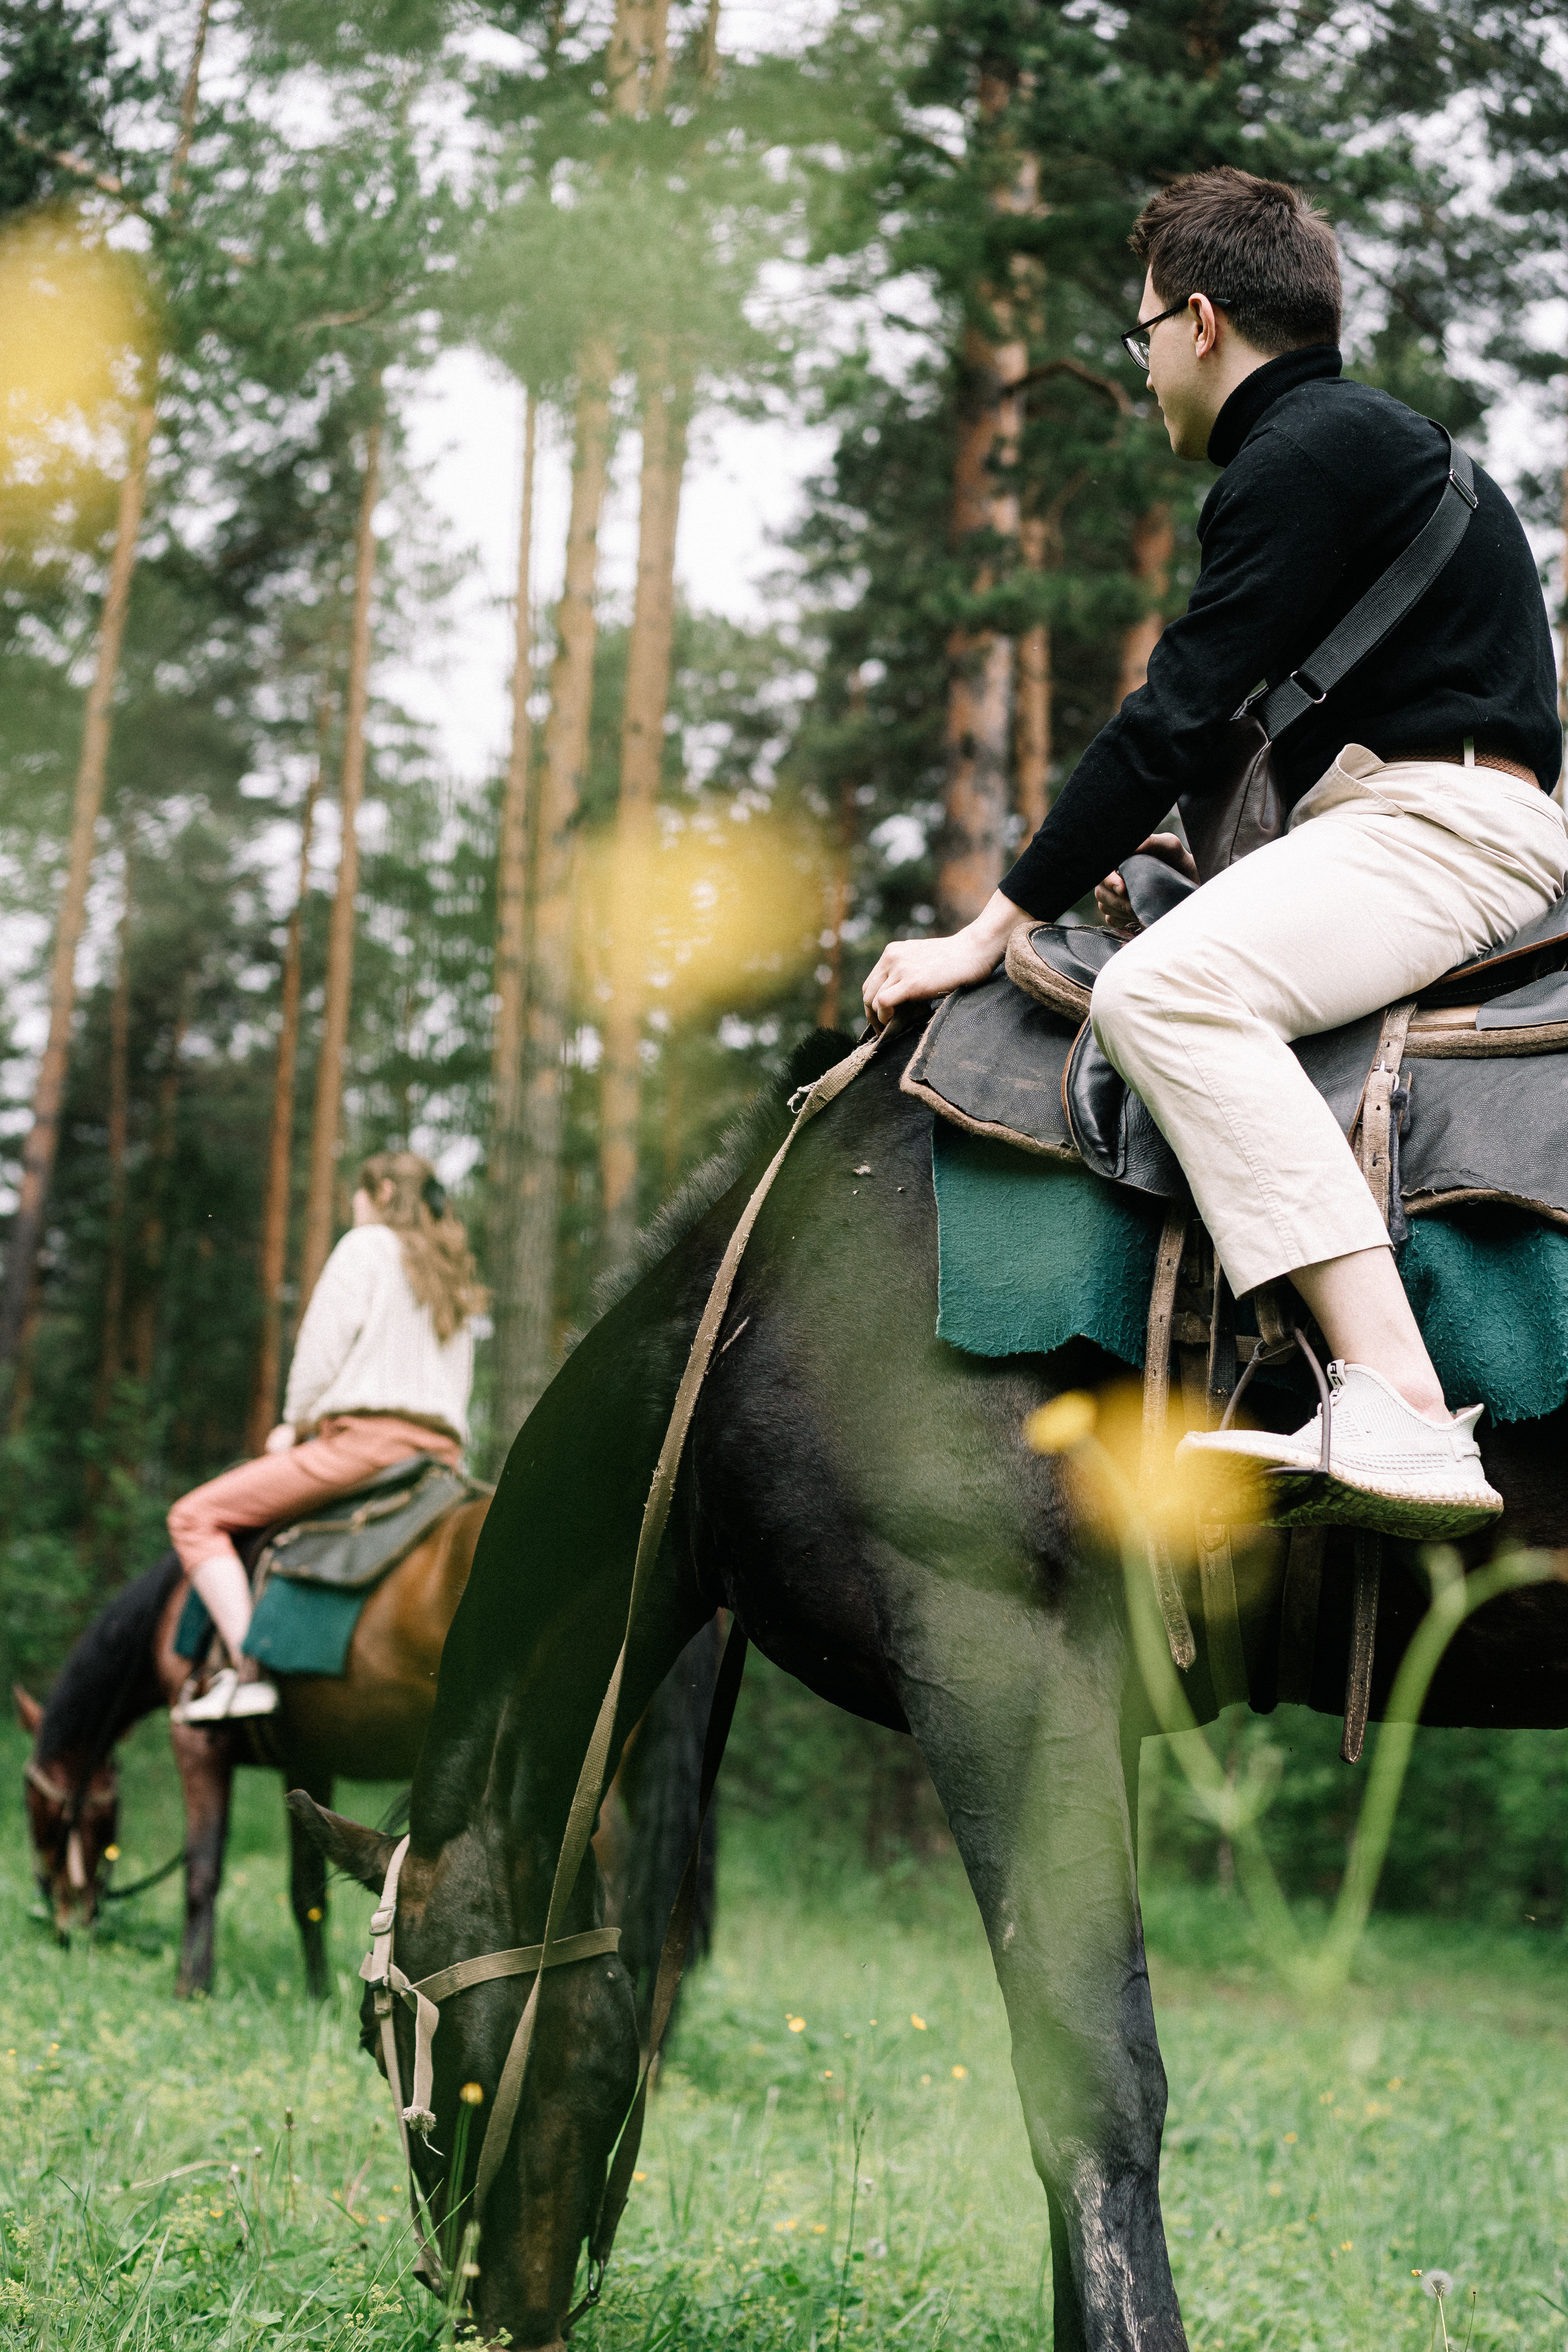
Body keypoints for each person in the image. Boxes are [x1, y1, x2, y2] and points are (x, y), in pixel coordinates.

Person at [863, 165, 1566, 1536]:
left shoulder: (1292, 458)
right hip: (1441, 812)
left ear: (1196, 322)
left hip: (1433, 829)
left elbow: (1168, 719)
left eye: (1138, 340)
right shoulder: (1371, 447)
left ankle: (1400, 1405)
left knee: (1161, 992)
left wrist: (987, 924)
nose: (1140, 377)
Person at [168, 1152, 486, 1724]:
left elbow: (320, 1352)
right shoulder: (451, 1274)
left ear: (383, 1190)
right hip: (440, 1457)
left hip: (363, 1445)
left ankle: (246, 1671)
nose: (356, 1209)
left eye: (358, 1197)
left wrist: (295, 1424)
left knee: (194, 1516)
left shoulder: (366, 1246)